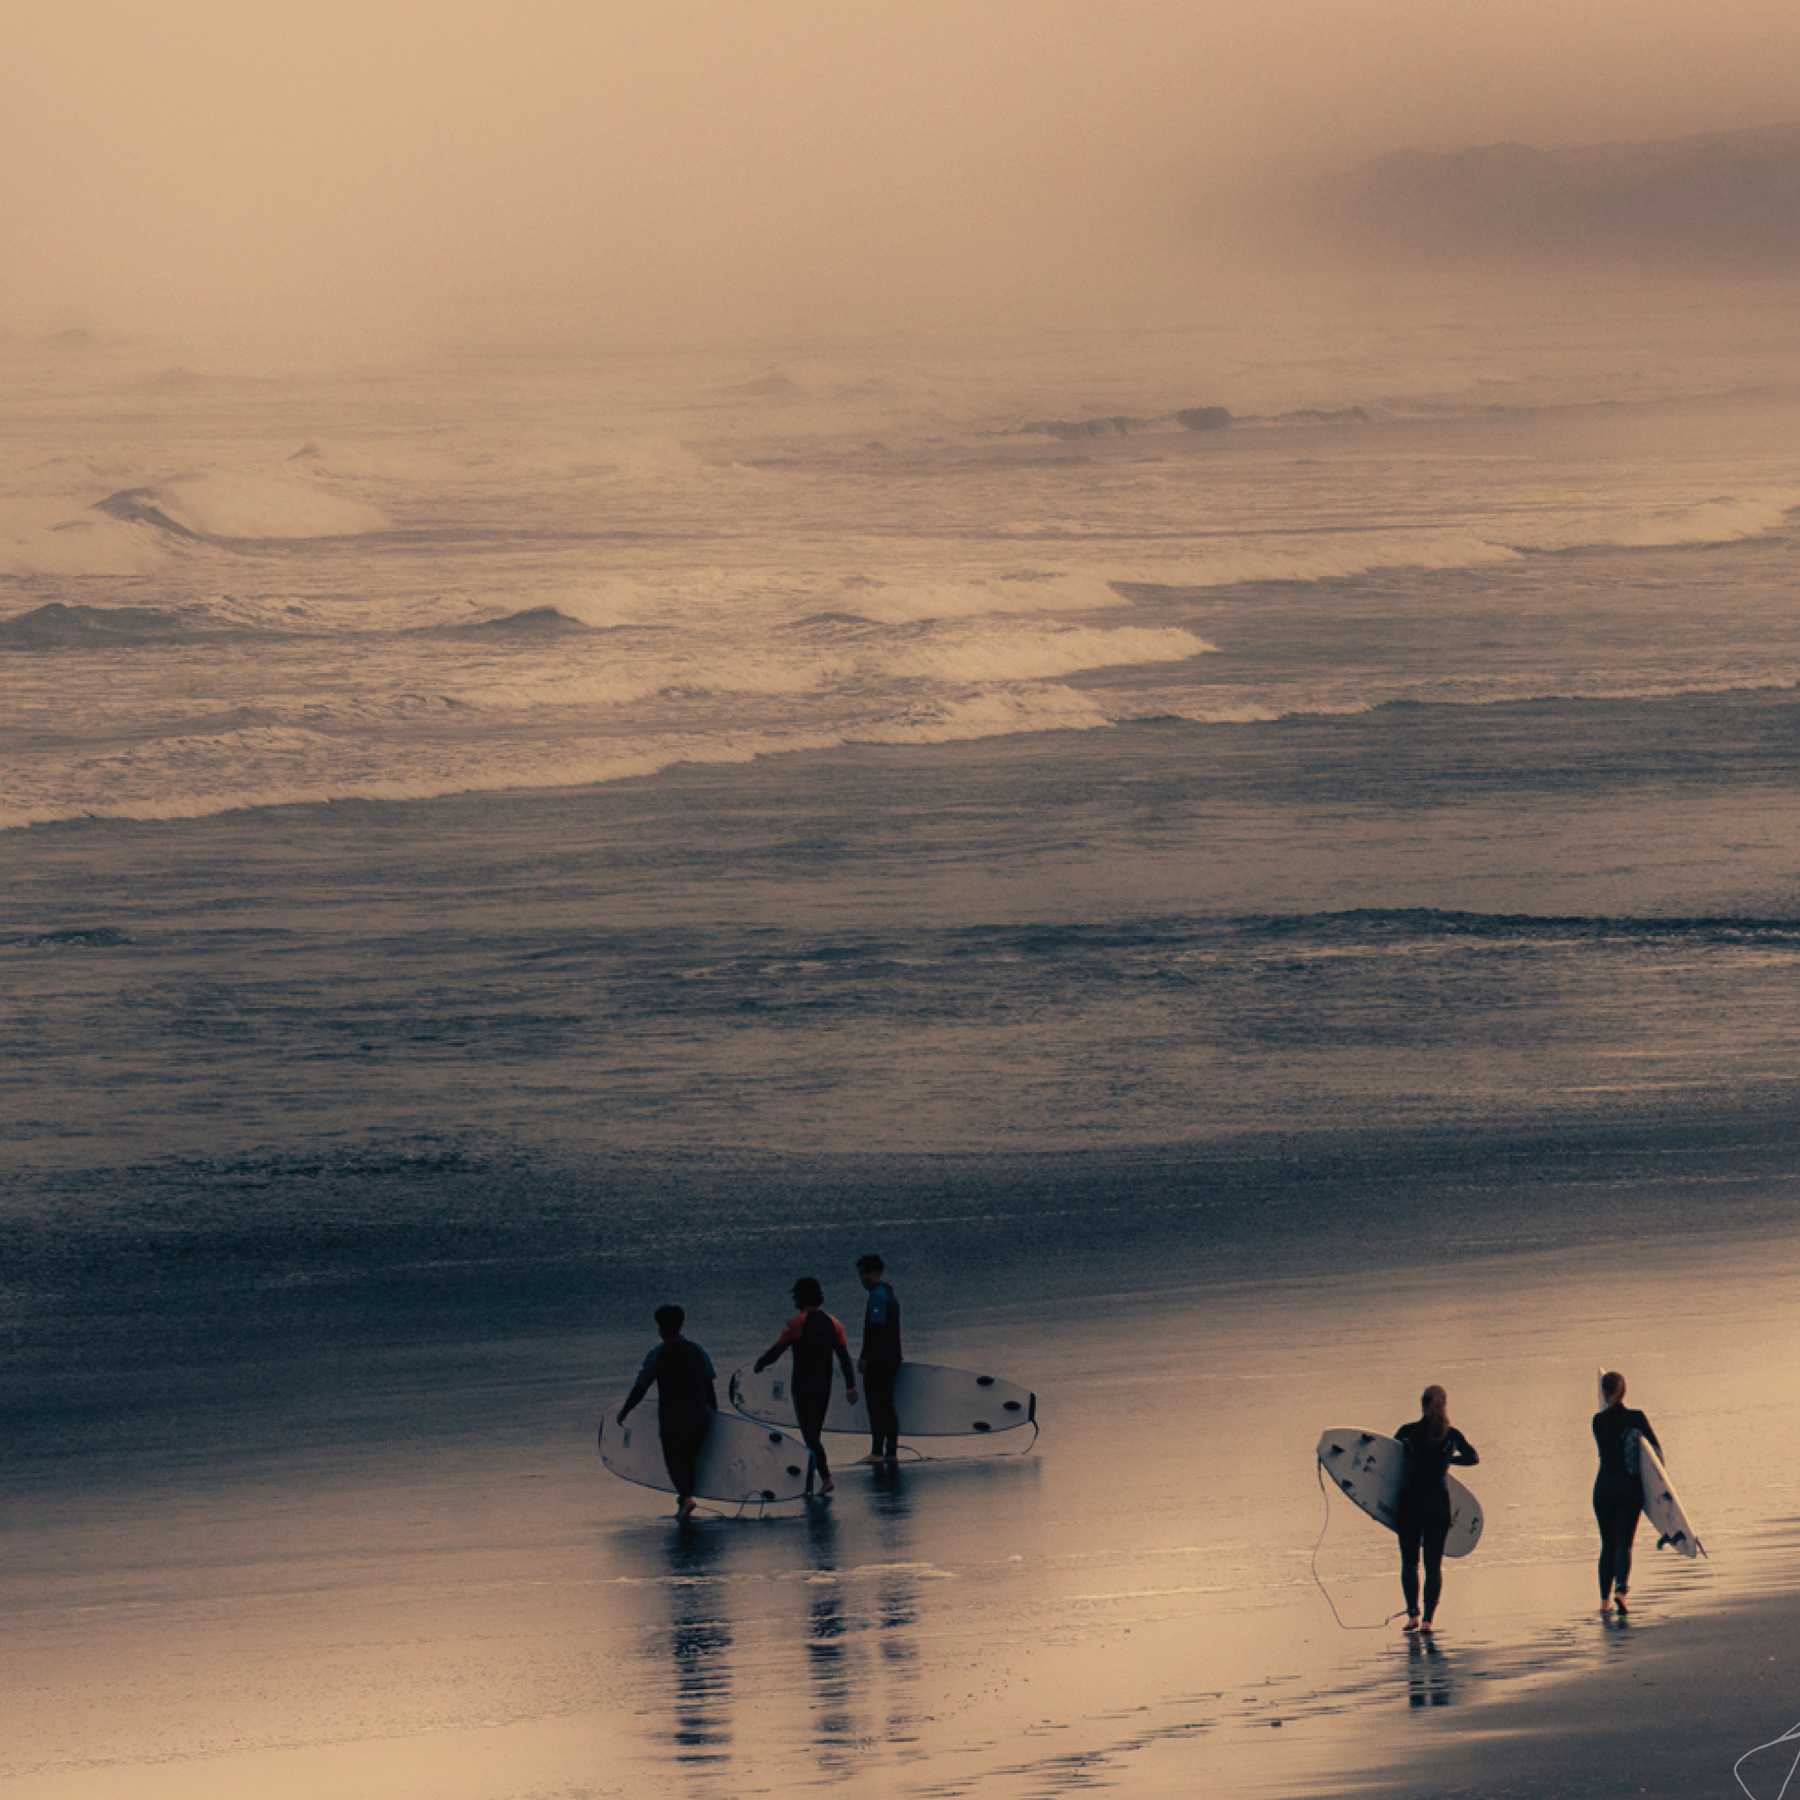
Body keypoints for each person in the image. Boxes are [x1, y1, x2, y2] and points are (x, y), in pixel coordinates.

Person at [753, 1277, 858, 1494]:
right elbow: (844, 1357)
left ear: (801, 1297)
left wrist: (760, 1364)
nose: (793, 1298)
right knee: (813, 1435)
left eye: (795, 1295)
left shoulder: (795, 1323)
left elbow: (776, 1350)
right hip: (824, 1387)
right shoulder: (834, 1323)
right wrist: (851, 1386)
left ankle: (826, 1479)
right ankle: (813, 1480)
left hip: (802, 1388)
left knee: (810, 1436)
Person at [617, 1304, 718, 1519]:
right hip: (700, 1415)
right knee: (691, 1458)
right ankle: (684, 1501)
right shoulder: (697, 1350)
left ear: (661, 1329)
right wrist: (716, 1414)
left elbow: (641, 1387)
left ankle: (687, 1499)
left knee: (674, 1460)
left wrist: (625, 1410)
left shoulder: (657, 1354)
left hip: (673, 1418)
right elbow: (709, 1384)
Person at [1394, 1384, 1479, 1634]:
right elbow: (1473, 1458)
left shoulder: (1407, 1432)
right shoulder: (1451, 1435)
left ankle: (1412, 1615)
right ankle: (1428, 1621)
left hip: (1410, 1504)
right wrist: (1449, 1460)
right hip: (1438, 1506)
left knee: (1410, 1562)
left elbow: (1387, 1460)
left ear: (1422, 1405)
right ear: (1445, 1406)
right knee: (1433, 1566)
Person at [1593, 1370, 1661, 1616]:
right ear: (1625, 1391)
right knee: (1624, 1544)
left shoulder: (1597, 1422)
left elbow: (1609, 1437)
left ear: (1605, 1392)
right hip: (1628, 1487)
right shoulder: (1637, 1418)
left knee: (1607, 1545)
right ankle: (1621, 1592)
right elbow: (1657, 1455)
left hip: (1603, 1488)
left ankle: (1603, 1602)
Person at [855, 1253, 903, 1465]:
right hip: (893, 1357)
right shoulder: (888, 1293)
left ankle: (877, 1452)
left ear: (877, 1273)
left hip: (879, 1360)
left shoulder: (877, 1296)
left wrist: (865, 1356)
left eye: (866, 1273)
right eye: (861, 1274)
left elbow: (875, 1328)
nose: (863, 1278)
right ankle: (891, 1450)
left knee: (876, 1405)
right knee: (887, 1404)